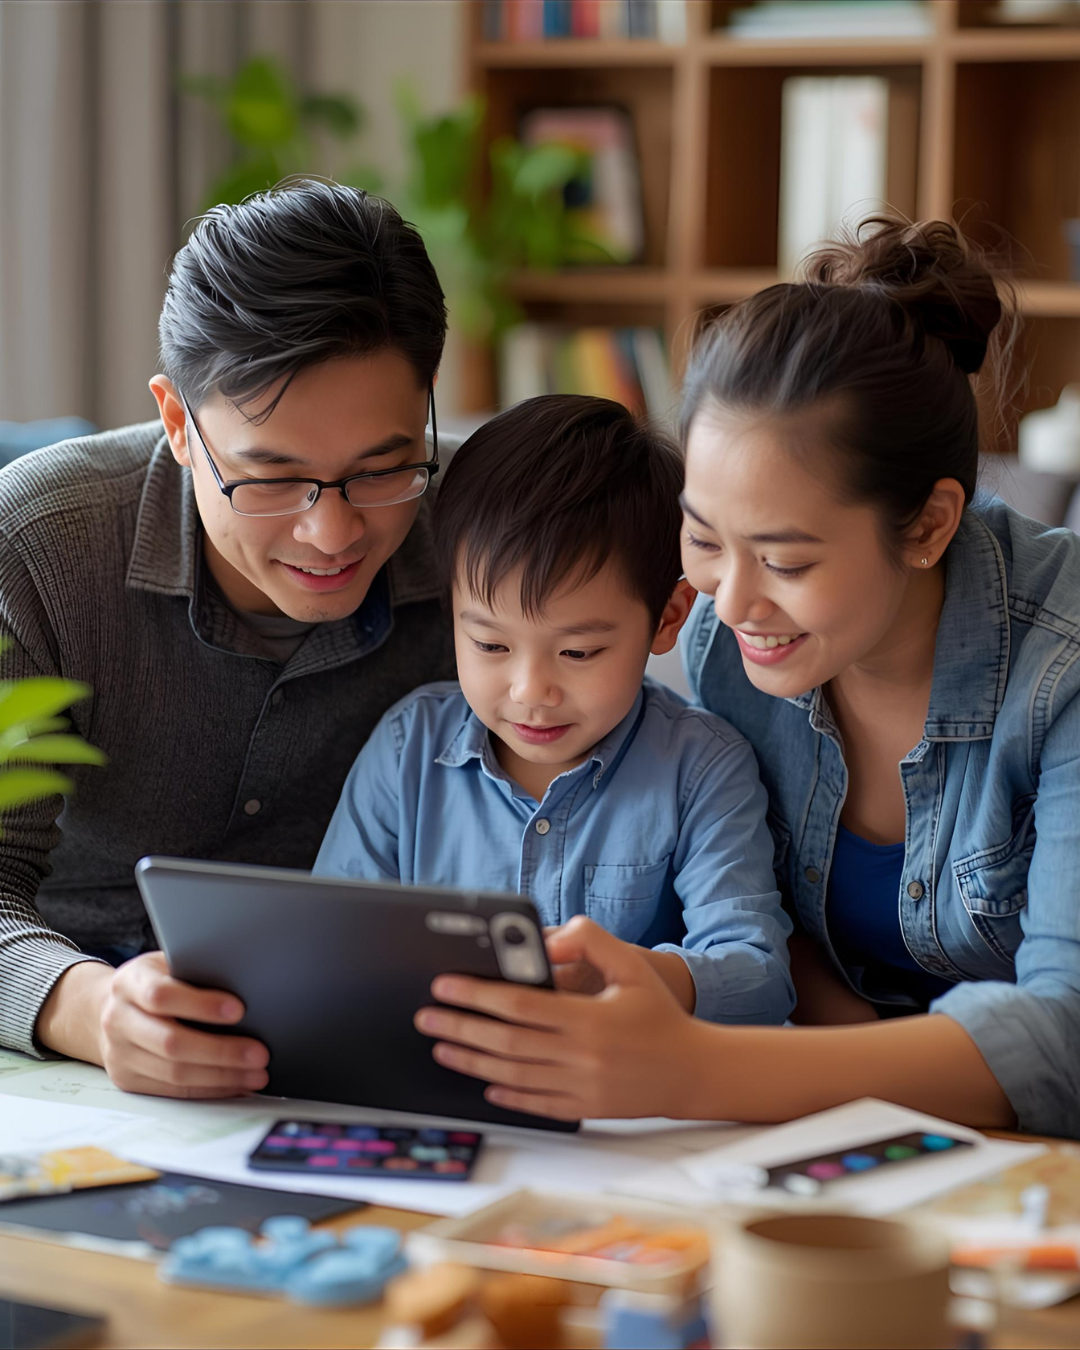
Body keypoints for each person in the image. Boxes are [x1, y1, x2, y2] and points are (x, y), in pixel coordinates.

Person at [411, 218, 1080, 1141]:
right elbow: (776, 927)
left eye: (786, 560)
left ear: (929, 527)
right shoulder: (742, 646)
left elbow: (1066, 1036)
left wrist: (693, 1069)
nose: (732, 604)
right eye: (704, 539)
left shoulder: (1064, 666)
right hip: (879, 1138)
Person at [0, 181, 456, 1098]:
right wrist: (85, 1007)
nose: (332, 536)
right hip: (69, 1034)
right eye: (272, 478)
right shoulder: (41, 543)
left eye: (380, 471)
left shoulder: (487, 541)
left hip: (370, 1042)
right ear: (177, 422)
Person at [316, 395, 794, 1025]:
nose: (529, 691)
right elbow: (327, 941)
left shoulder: (702, 768)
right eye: (490, 644)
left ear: (667, 617)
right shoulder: (408, 749)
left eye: (578, 651)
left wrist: (631, 976)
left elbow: (759, 976)